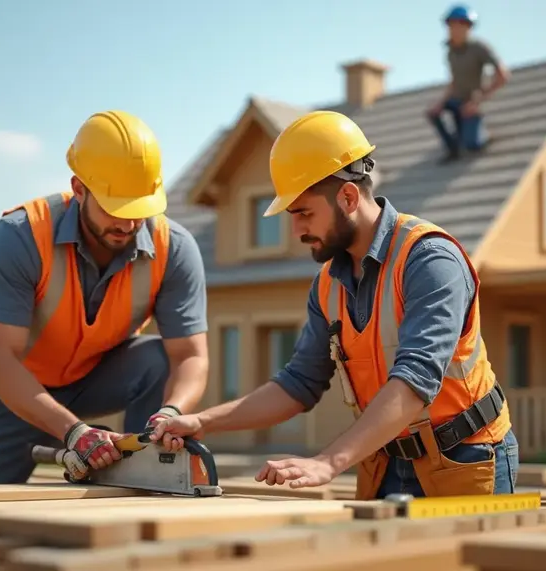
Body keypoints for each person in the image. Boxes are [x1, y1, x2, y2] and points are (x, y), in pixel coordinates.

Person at [151, 110, 518, 500]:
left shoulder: (429, 260)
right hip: (384, 462)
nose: (296, 231)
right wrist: (203, 422)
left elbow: (415, 379)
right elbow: (299, 383)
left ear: (347, 196)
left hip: (466, 456)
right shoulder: (328, 284)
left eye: (304, 213)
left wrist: (329, 461)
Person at [0, 110, 210, 485]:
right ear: (79, 188)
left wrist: (170, 412)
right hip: (12, 394)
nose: (129, 224)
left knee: (157, 358)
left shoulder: (174, 249)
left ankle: (147, 468)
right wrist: (74, 432)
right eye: (115, 207)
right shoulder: (19, 236)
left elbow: (191, 356)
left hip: (95, 379)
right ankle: (79, 435)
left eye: (139, 209)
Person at [426, 4, 510, 163]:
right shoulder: (450, 51)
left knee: (473, 145)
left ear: (468, 27)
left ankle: (478, 135)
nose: (453, 29)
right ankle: (453, 150)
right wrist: (440, 104)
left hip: (473, 104)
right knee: (434, 114)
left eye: (458, 25)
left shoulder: (479, 48)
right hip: (456, 102)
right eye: (450, 25)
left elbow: (503, 75)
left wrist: (477, 101)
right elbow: (454, 81)